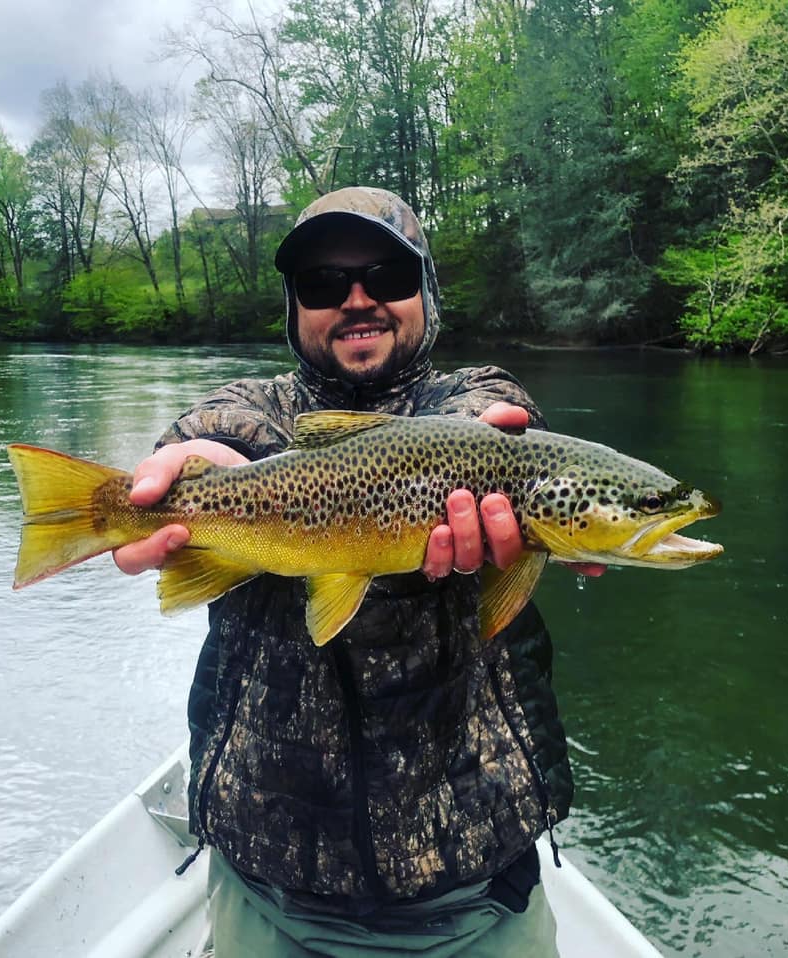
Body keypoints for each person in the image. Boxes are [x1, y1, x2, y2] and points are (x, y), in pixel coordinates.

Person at [114, 187, 600, 957]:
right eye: (324, 283)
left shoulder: (473, 409)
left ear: (426, 292)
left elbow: (499, 417)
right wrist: (177, 470)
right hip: (268, 890)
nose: (358, 298)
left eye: (386, 275)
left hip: (478, 892)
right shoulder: (253, 412)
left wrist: (495, 448)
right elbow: (208, 431)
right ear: (294, 307)